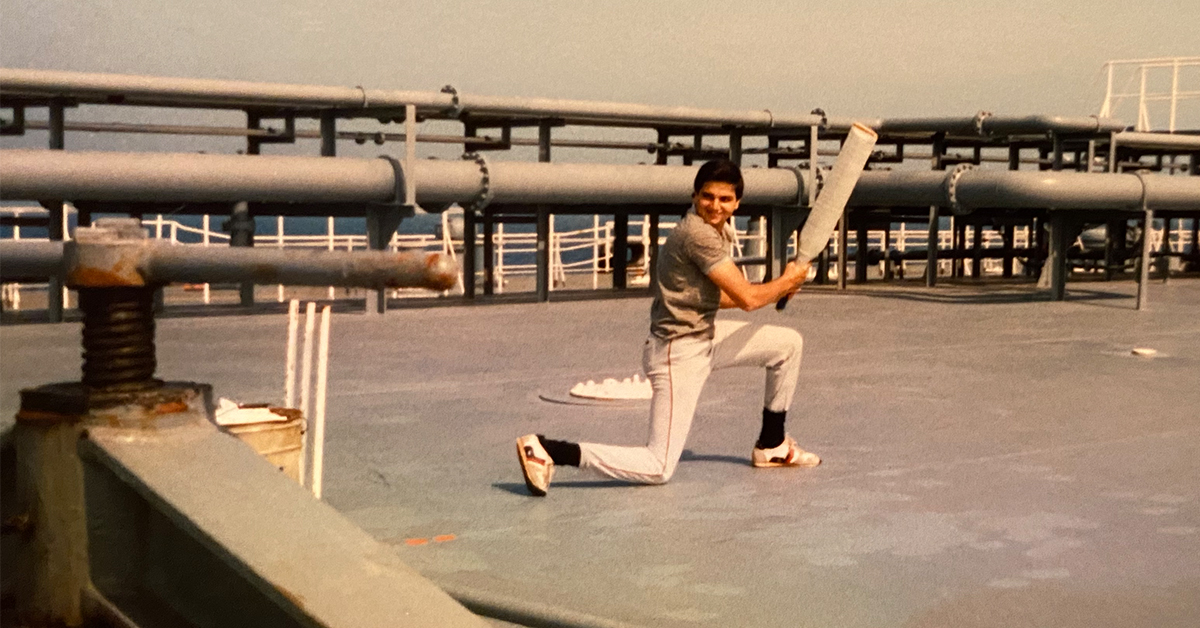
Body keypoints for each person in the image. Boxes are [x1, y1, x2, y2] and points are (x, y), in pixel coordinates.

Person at [516, 159, 816, 496]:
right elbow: (747, 299)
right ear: (694, 196)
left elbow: (718, 298)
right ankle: (548, 450)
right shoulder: (698, 234)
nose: (715, 206)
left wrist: (779, 286)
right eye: (707, 197)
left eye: (724, 199)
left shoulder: (716, 229)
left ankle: (772, 445)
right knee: (658, 467)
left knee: (787, 344)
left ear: (737, 203)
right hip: (678, 352)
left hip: (705, 336)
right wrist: (786, 280)